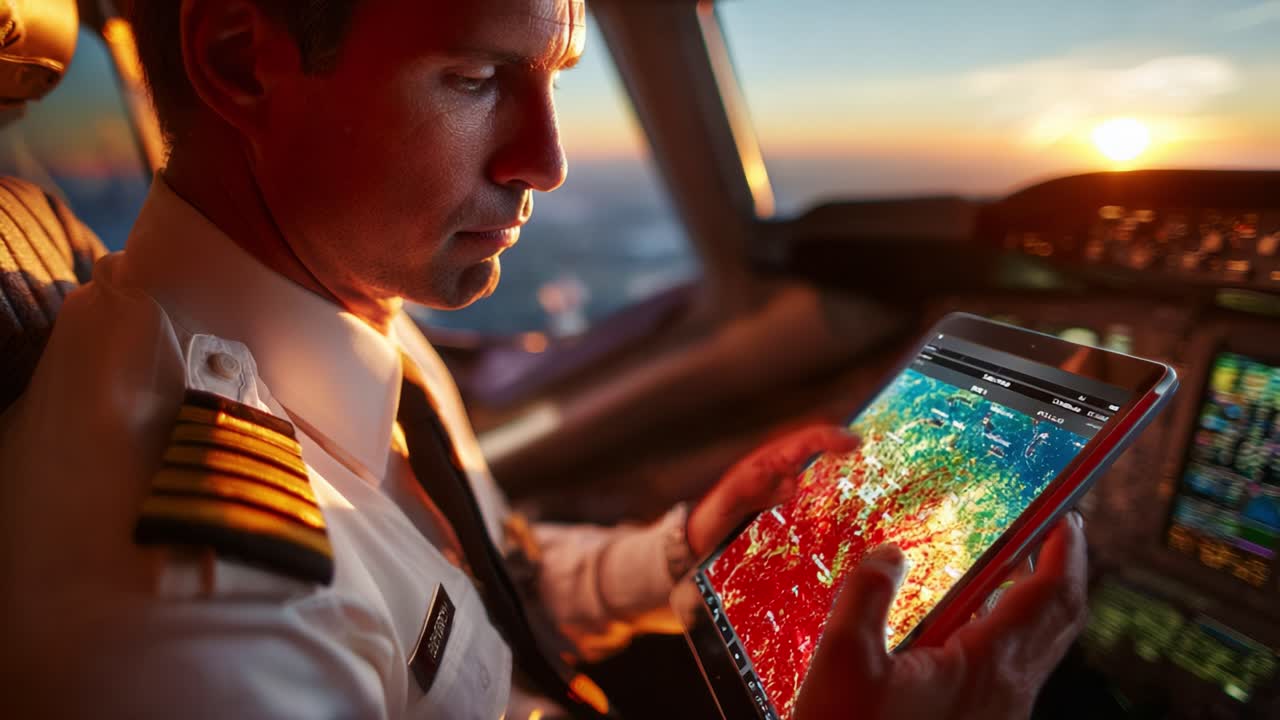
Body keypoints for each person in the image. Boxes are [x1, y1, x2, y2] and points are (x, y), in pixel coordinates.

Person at [0, 0, 1087, 717]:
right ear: (241, 62)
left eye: (554, 78)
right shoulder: (196, 631)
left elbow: (463, 606)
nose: (547, 161)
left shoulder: (344, 301)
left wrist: (681, 556)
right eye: (475, 77)